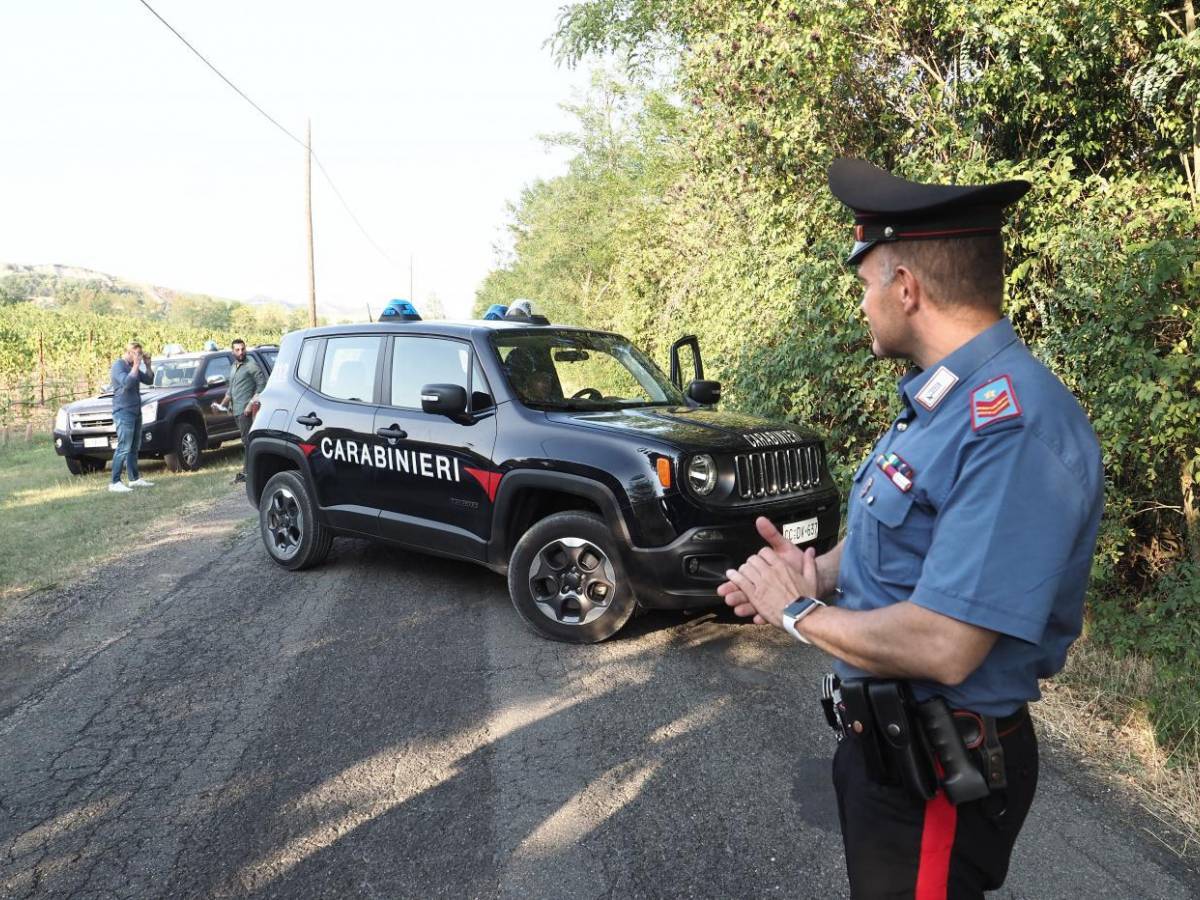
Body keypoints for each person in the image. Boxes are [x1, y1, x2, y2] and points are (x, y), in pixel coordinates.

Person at [719, 159, 1104, 899]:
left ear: (907, 288)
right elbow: (899, 536)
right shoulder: (943, 406)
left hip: (940, 768)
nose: (862, 305)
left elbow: (947, 644)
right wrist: (818, 572)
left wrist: (798, 614)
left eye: (866, 285)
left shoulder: (1010, 425)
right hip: (891, 752)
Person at [217, 339, 267, 483]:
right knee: (246, 441)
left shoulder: (251, 365)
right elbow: (231, 390)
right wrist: (222, 405)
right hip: (236, 410)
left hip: (246, 411)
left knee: (248, 442)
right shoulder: (234, 366)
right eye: (237, 350)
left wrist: (250, 404)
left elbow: (262, 386)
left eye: (243, 349)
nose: (241, 352)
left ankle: (249, 473)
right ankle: (249, 472)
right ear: (232, 351)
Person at [108, 341, 155, 493]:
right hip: (123, 411)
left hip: (135, 410)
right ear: (128, 352)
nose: (139, 357)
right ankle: (114, 482)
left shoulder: (131, 366)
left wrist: (147, 365)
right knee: (123, 446)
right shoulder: (119, 366)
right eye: (136, 354)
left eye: (140, 354)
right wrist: (136, 365)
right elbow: (127, 383)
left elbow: (148, 380)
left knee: (134, 447)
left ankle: (134, 479)